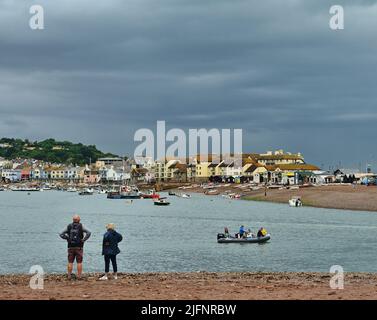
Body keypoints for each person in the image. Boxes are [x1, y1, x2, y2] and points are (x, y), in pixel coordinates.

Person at [60, 215, 91, 280]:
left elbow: (61, 234)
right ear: (79, 220)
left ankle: (69, 276)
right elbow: (89, 232)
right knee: (79, 262)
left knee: (70, 262)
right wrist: (84, 240)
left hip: (70, 246)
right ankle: (79, 276)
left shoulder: (69, 226)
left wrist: (67, 238)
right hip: (79, 246)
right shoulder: (81, 226)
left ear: (73, 220)